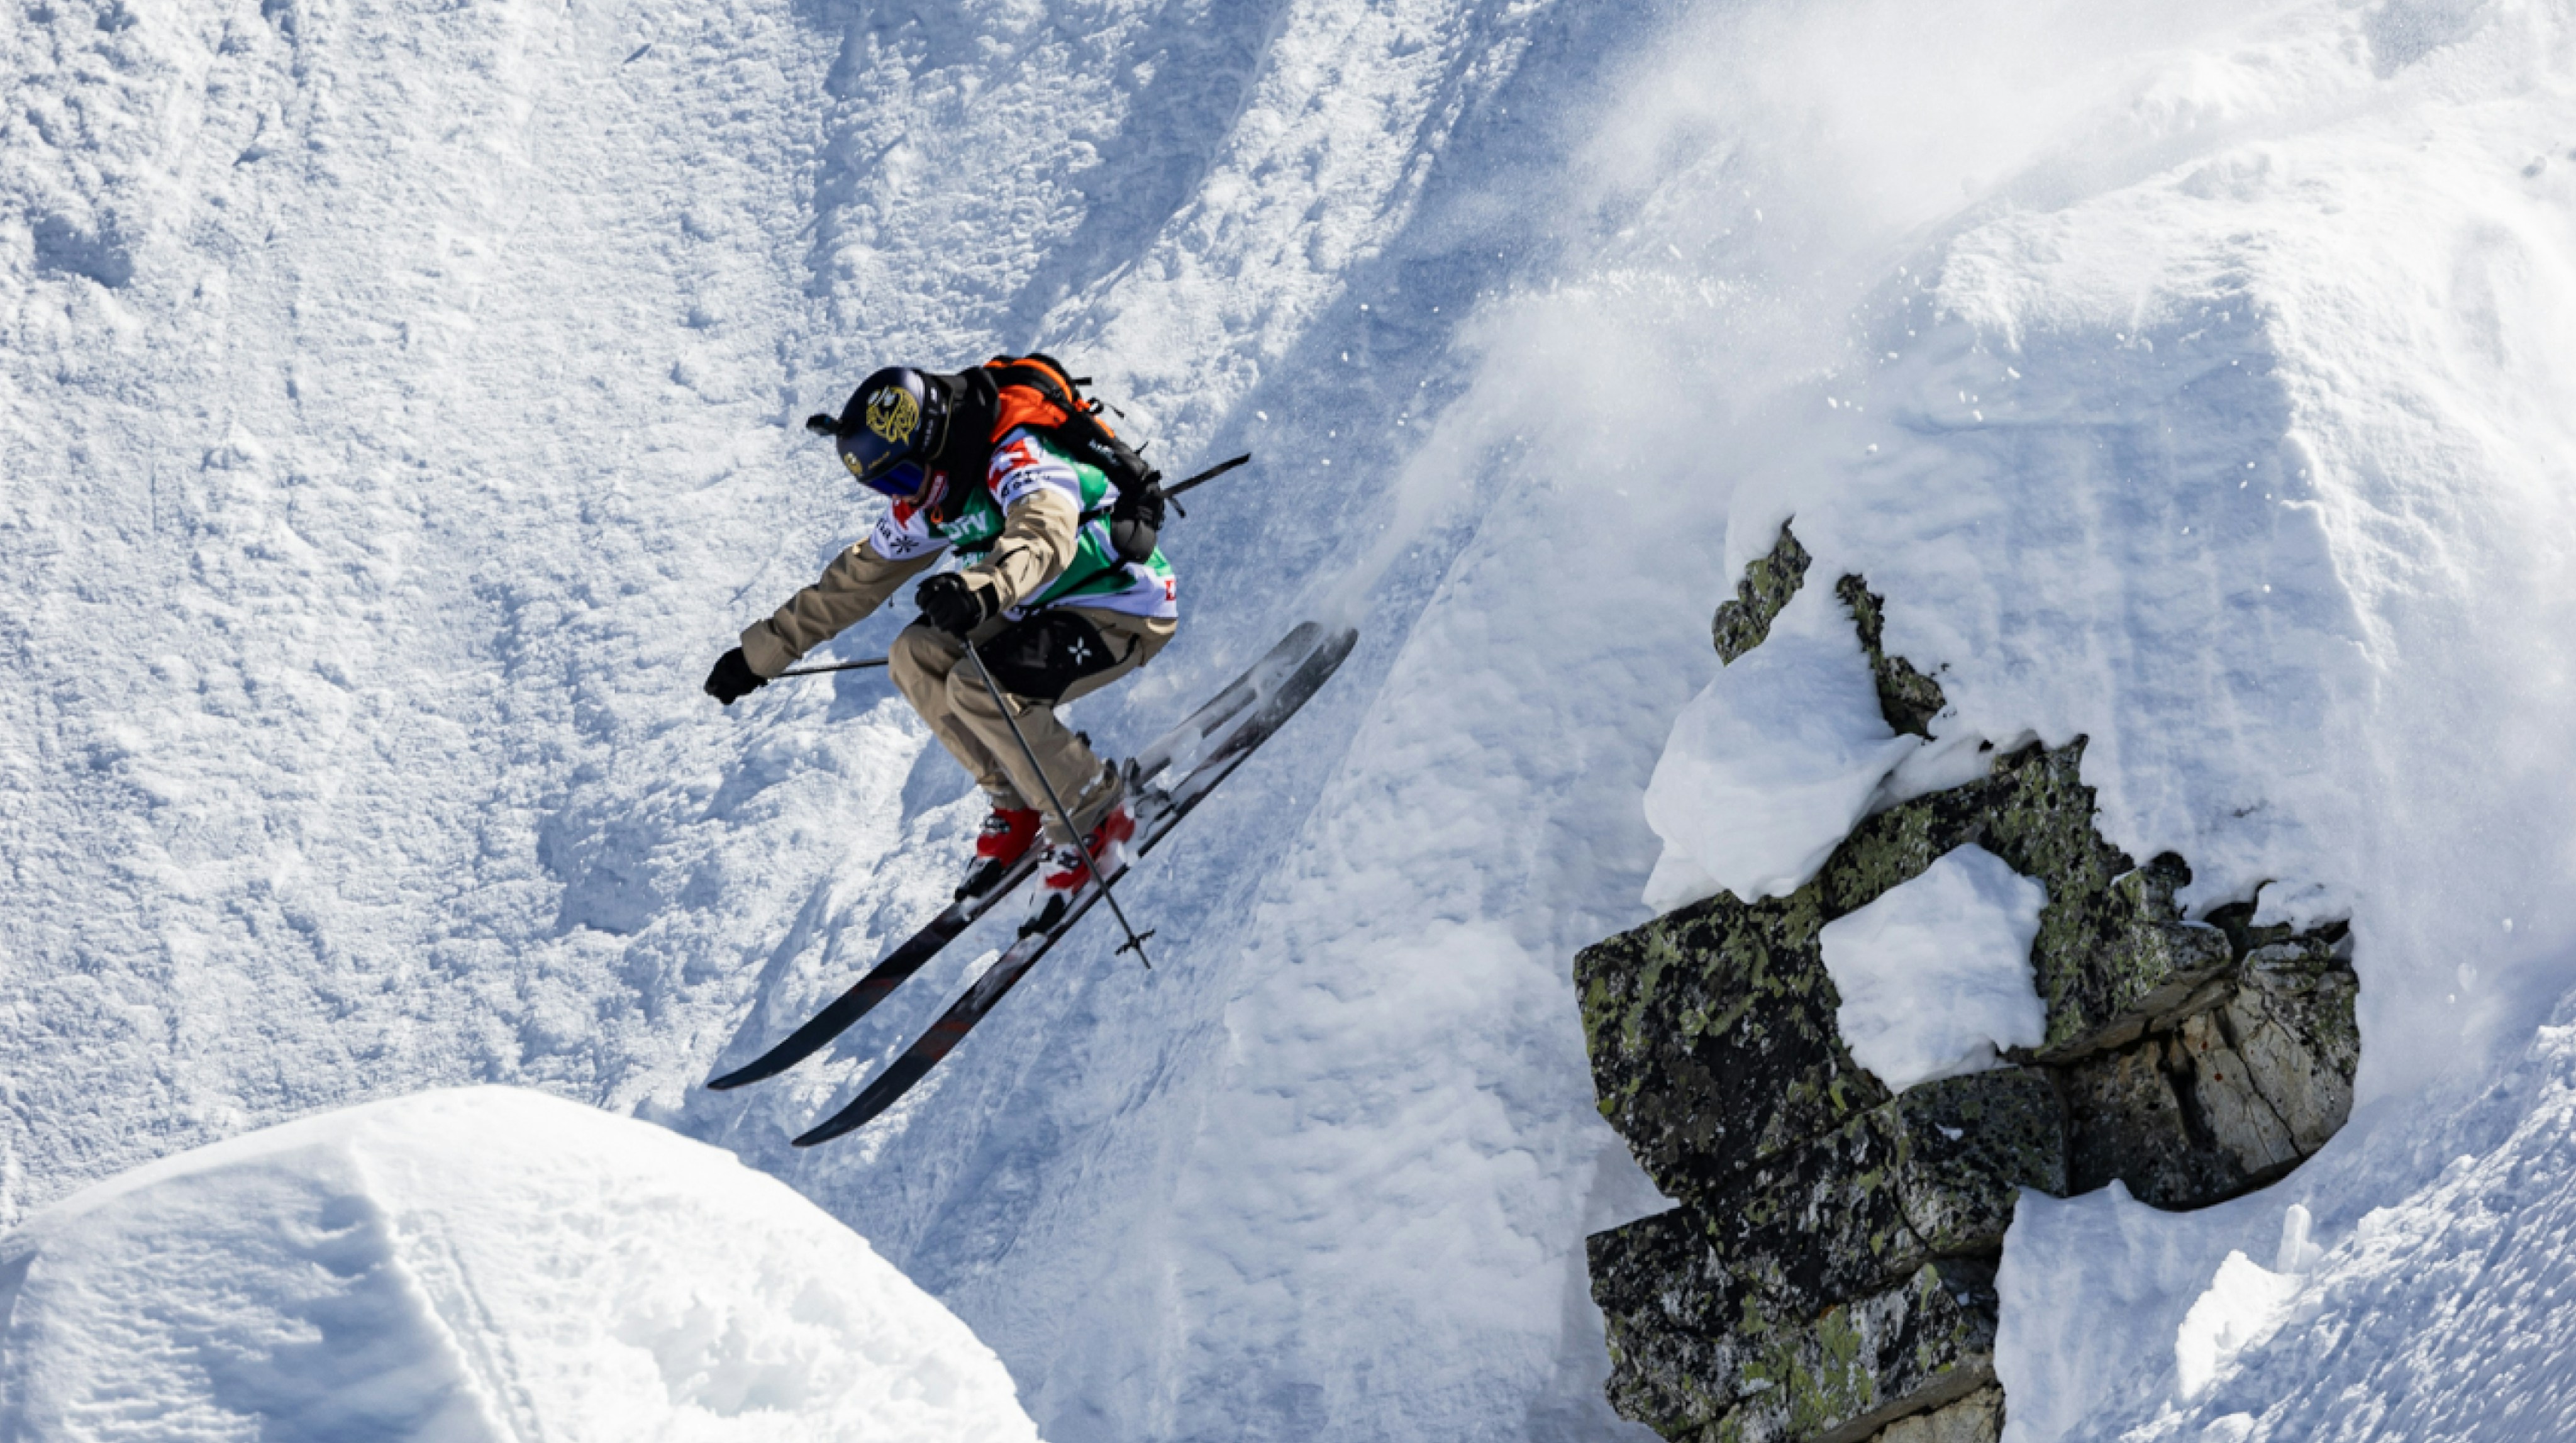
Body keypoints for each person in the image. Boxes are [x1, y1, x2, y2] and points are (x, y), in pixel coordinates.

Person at [702, 359, 1177, 900]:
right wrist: (760, 655)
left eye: (904, 476)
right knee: (915, 654)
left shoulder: (1017, 455)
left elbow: (1043, 536)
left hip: (1119, 606)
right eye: (887, 485)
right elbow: (853, 582)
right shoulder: (930, 496)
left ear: (935, 440)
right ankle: (1017, 796)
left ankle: (1091, 806)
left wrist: (983, 589)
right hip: (1039, 605)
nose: (905, 495)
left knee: (982, 686)